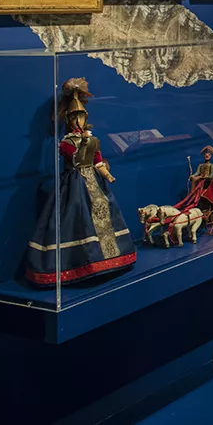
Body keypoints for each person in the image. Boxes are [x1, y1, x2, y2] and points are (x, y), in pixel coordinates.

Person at [25, 78, 136, 286]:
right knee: (76, 217)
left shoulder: (94, 140)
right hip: (75, 185)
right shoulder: (66, 143)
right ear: (69, 119)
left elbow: (98, 161)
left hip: (94, 182)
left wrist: (106, 175)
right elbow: (75, 159)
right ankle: (81, 263)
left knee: (103, 208)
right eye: (75, 117)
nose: (78, 121)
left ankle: (110, 259)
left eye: (81, 116)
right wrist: (84, 142)